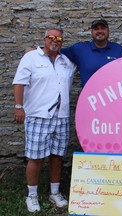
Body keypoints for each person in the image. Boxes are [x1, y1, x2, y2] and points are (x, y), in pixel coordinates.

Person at [13, 28, 76, 213]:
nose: (55, 41)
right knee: (36, 157)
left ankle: (54, 192)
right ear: (44, 39)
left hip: (61, 116)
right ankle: (31, 195)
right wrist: (18, 107)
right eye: (51, 37)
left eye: (59, 38)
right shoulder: (31, 58)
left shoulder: (66, 62)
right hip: (38, 115)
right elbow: (19, 82)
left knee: (57, 156)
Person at [61, 19, 122, 87]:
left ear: (108, 31)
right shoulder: (80, 49)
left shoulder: (118, 49)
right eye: (96, 29)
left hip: (113, 96)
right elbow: (58, 51)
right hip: (90, 97)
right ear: (91, 32)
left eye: (103, 28)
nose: (100, 31)